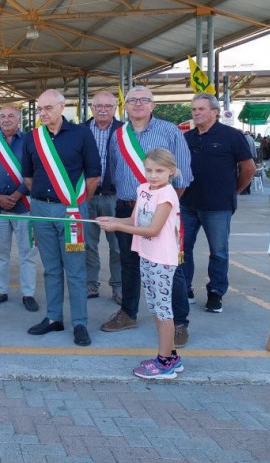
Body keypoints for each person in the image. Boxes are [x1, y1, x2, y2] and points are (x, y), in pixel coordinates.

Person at [98, 86, 193, 351]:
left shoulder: (170, 130)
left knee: (170, 266)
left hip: (162, 210)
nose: (138, 104)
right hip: (128, 206)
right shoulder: (118, 135)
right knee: (129, 263)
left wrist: (166, 203)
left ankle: (179, 323)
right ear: (125, 106)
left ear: (153, 105)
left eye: (144, 100)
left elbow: (183, 174)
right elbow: (115, 171)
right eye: (132, 100)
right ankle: (128, 312)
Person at [22, 89, 101, 347]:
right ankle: (54, 317)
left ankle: (80, 323)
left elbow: (93, 176)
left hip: (72, 212)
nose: (43, 113)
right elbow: (28, 176)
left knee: (76, 270)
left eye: (48, 108)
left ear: (61, 107)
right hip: (41, 210)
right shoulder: (33, 138)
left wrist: (76, 204)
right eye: (40, 109)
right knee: (51, 268)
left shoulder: (81, 133)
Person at [98, 149, 184, 380]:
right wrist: (112, 219)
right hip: (146, 254)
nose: (153, 175)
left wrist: (118, 227)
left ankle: (165, 362)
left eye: (160, 171)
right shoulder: (143, 189)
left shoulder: (166, 195)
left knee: (163, 310)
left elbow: (153, 229)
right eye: (149, 170)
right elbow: (136, 220)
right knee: (155, 307)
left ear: (171, 172)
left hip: (162, 258)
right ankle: (170, 356)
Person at [180, 93, 255, 313]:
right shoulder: (187, 137)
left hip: (218, 207)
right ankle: (185, 289)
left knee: (218, 252)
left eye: (201, 109)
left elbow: (248, 168)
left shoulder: (232, 136)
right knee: (182, 250)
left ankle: (215, 293)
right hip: (187, 204)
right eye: (194, 109)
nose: (196, 113)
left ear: (215, 112)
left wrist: (234, 192)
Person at [0, 104, 39, 311]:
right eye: (2, 116)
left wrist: (16, 194)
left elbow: (35, 171)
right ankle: (1, 290)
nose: (6, 119)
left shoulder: (30, 142)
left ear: (19, 119)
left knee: (27, 252)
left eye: (11, 116)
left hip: (24, 206)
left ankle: (28, 294)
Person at [84, 91, 123, 304]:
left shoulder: (125, 131)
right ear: (91, 108)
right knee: (88, 244)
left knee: (117, 245)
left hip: (114, 197)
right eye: (98, 105)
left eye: (107, 106)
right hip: (87, 197)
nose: (102, 109)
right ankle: (91, 283)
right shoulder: (80, 130)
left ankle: (118, 286)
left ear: (115, 108)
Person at [240, 131, 257, 195]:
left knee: (244, 172)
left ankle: (244, 190)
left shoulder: (243, 138)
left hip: (244, 158)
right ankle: (248, 190)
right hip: (251, 157)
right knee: (249, 173)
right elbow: (254, 148)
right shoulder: (251, 138)